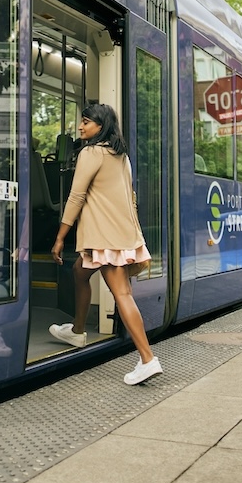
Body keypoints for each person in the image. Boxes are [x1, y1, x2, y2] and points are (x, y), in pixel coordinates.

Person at [49, 103, 161, 385]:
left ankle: (148, 359)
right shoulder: (120, 156)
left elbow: (76, 196)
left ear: (101, 126)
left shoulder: (91, 152)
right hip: (119, 232)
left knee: (121, 294)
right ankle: (77, 330)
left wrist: (61, 237)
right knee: (80, 272)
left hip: (106, 237)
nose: (80, 126)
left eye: (86, 122)